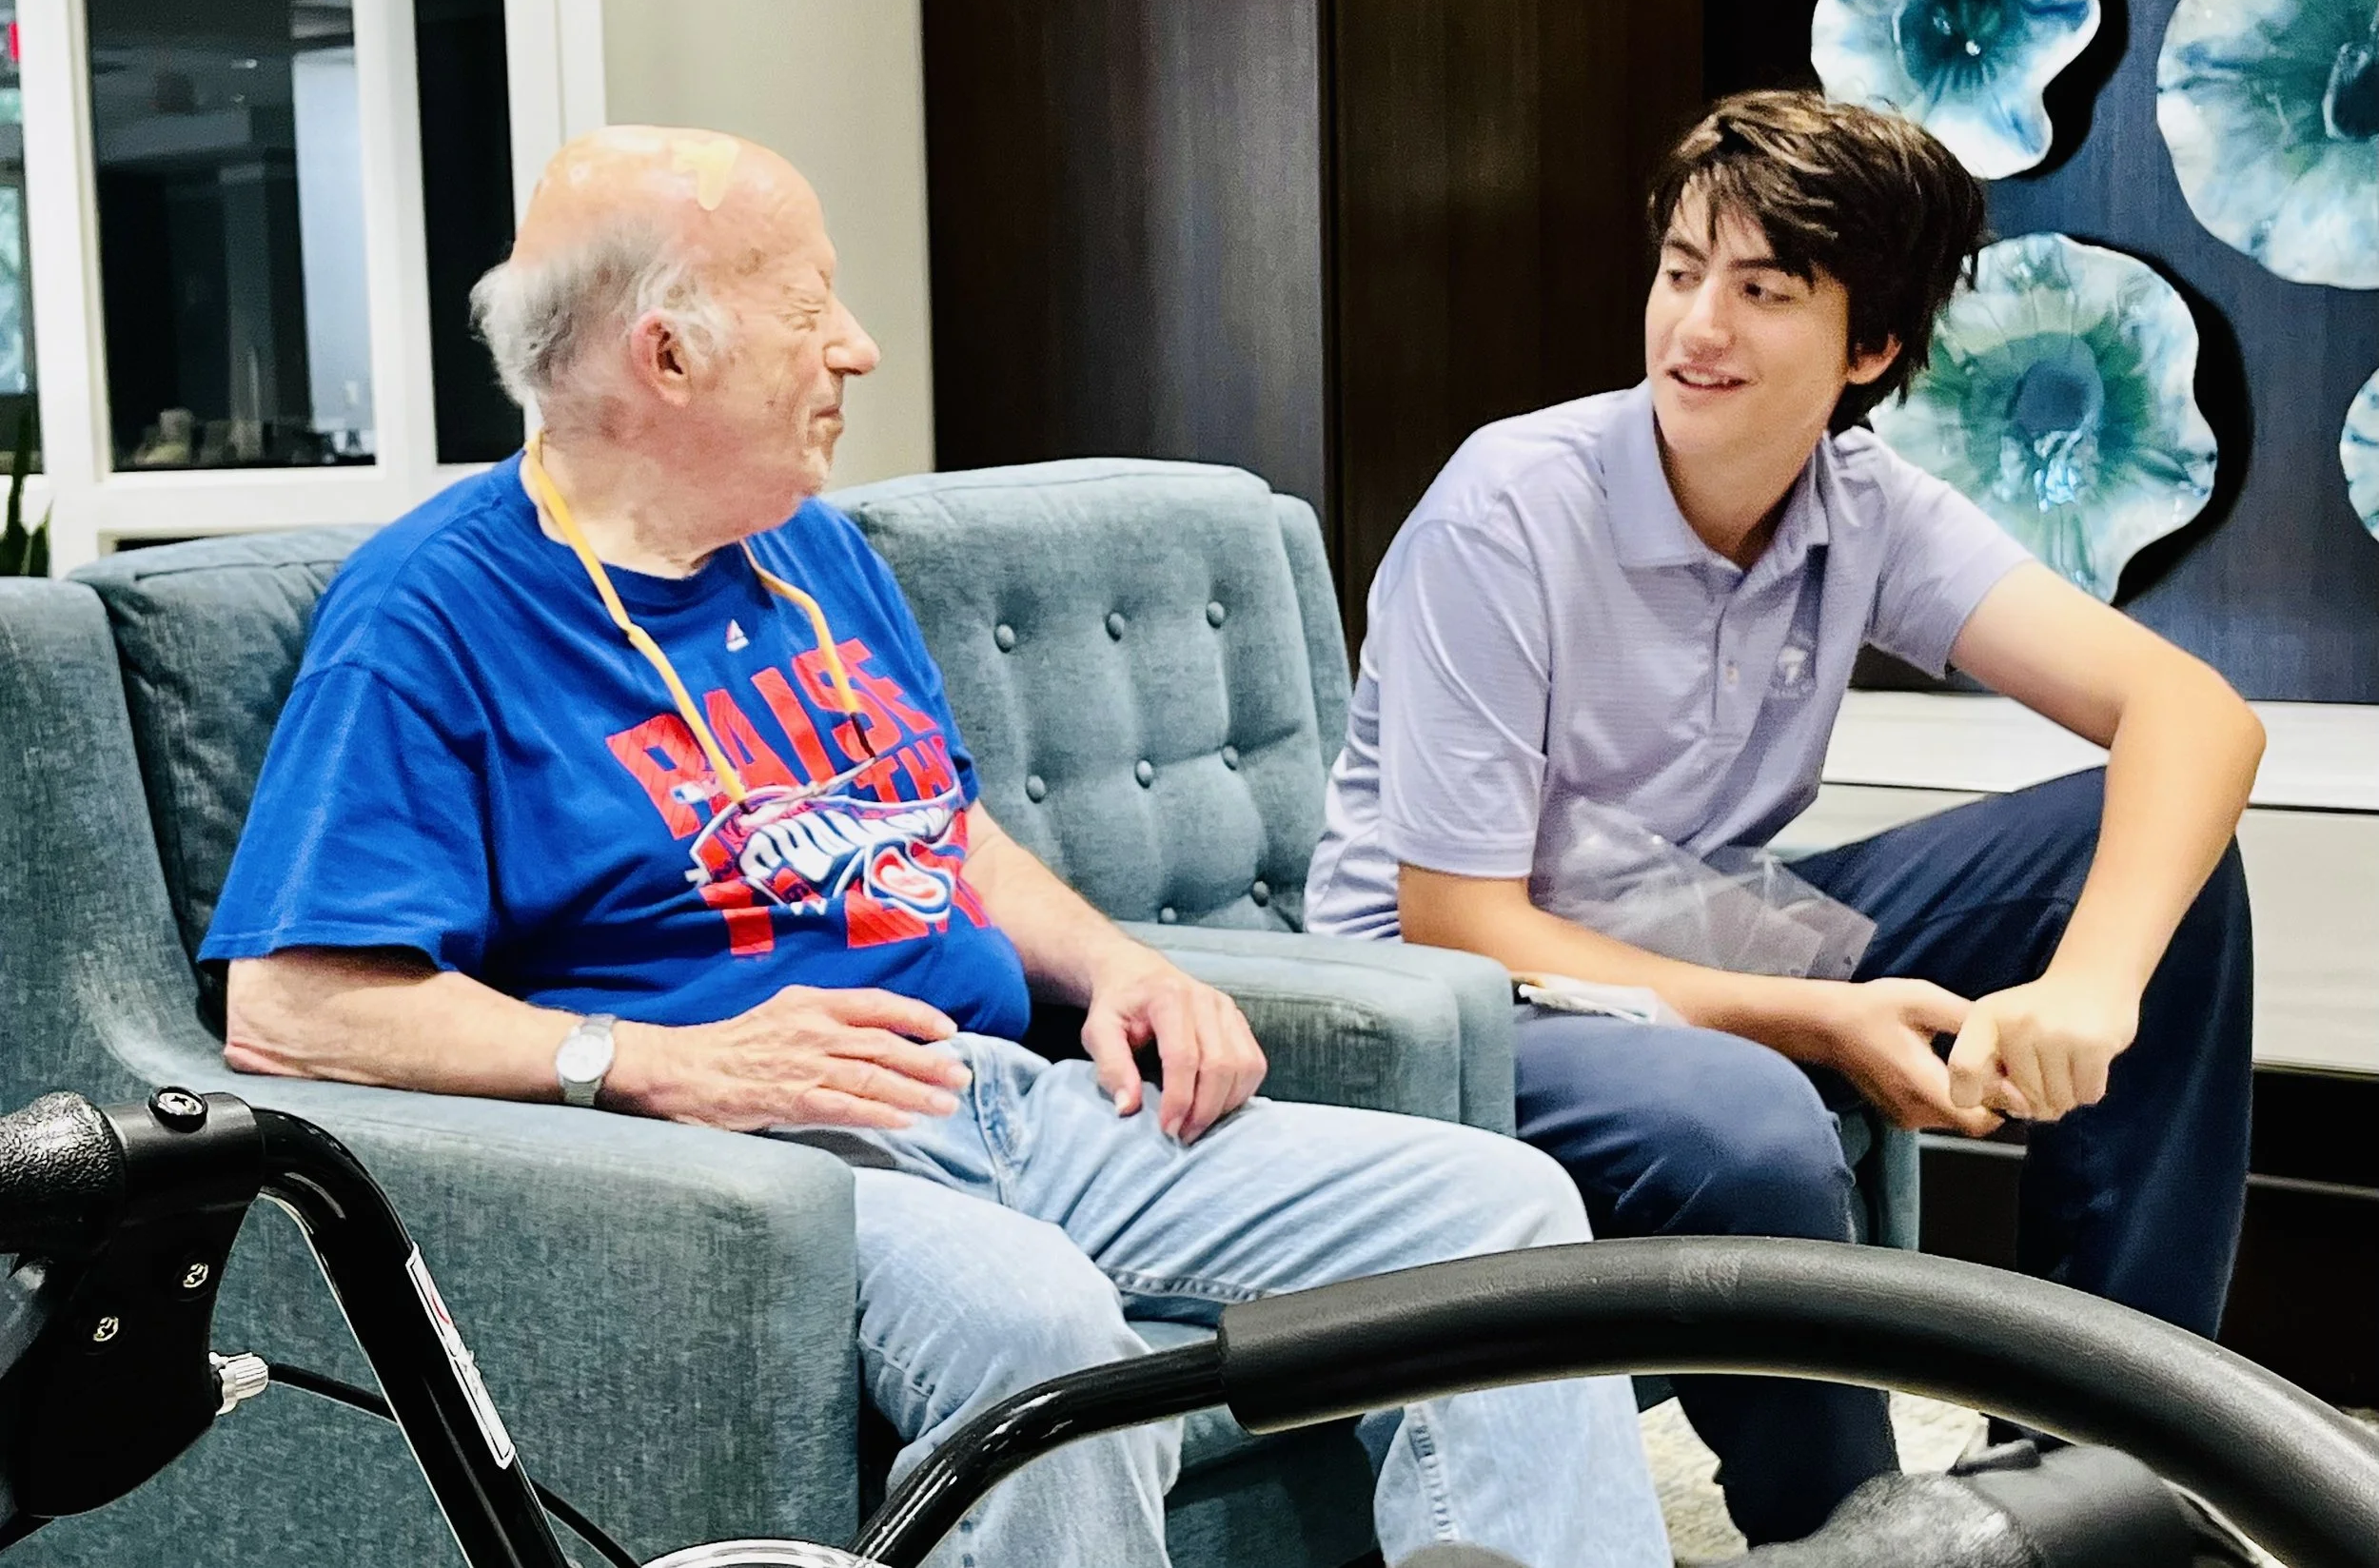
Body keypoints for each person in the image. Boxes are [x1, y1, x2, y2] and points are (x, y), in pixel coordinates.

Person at [199, 127, 1669, 1568]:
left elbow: (937, 826)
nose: (856, 346)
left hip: (1012, 1097)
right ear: (668, 356)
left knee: (1507, 1213)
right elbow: (288, 1004)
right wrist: (648, 1062)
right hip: (761, 1167)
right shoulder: (433, 615)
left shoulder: (811, 550)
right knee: (1040, 1328)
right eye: (809, 305)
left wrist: (1117, 965)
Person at [1306, 90, 2260, 1545]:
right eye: (1683, 271)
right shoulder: (1508, 508)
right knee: (1749, 1114)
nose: (1698, 326)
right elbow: (1462, 919)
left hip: (1679, 912)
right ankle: (1857, 1534)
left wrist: (2093, 984)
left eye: (1762, 291)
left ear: (1868, 346)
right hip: (1454, 992)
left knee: (2154, 867)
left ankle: (2102, 1476)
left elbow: (2194, 714)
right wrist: (1813, 1022)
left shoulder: (1861, 501)